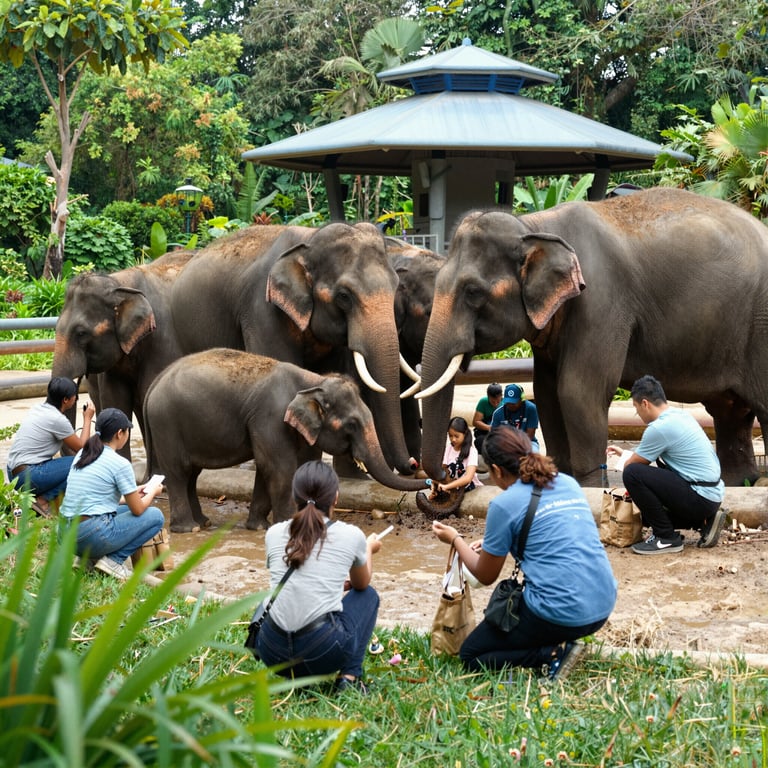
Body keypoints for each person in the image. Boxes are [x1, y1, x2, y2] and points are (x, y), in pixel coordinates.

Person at [432, 426, 617, 679]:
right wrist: (493, 540)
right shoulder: (566, 482)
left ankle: (551, 654)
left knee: (472, 655)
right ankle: (559, 642)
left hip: (561, 612)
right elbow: (550, 529)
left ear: (496, 471)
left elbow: (485, 576)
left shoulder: (503, 504)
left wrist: (455, 539)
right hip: (602, 605)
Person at [256, 460, 382, 693]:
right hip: (322, 654)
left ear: (294, 497)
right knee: (369, 596)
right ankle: (349, 677)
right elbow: (361, 584)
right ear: (335, 497)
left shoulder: (273, 533)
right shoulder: (352, 535)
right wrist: (368, 549)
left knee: (269, 596)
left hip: (273, 654)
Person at [606, 375, 726, 555]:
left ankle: (666, 538)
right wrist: (624, 453)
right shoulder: (679, 415)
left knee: (632, 474)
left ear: (645, 403)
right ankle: (704, 523)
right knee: (647, 515)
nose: (637, 414)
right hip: (711, 495)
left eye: (636, 408)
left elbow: (634, 466)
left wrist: (626, 460)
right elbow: (646, 454)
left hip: (699, 497)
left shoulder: (659, 428)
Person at [59, 408, 165, 580]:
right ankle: (113, 562)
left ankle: (85, 561)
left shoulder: (82, 454)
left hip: (65, 534)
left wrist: (136, 491)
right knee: (155, 516)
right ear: (119, 433)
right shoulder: (120, 463)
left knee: (120, 510)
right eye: (127, 431)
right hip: (89, 535)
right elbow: (138, 510)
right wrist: (153, 490)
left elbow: (101, 498)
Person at [6, 376, 95, 516]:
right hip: (28, 475)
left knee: (68, 463)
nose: (76, 399)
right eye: (74, 397)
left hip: (13, 474)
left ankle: (41, 499)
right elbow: (83, 447)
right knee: (83, 461)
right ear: (65, 400)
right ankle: (42, 500)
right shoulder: (57, 419)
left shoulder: (38, 408)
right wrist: (88, 418)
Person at [436, 416, 481, 493]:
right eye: (450, 435)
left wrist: (447, 486)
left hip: (469, 487)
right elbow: (443, 469)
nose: (453, 439)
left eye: (456, 436)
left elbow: (468, 478)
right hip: (452, 486)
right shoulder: (449, 448)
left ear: (465, 434)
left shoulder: (472, 452)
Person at [490, 384, 539, 451]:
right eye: (508, 402)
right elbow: (494, 436)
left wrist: (517, 448)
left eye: (514, 402)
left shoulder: (531, 409)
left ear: (521, 399)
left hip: (528, 442)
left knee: (533, 455)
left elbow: (530, 435)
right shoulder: (498, 413)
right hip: (505, 444)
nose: (510, 405)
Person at [472, 382, 503, 454]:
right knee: (479, 441)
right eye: (492, 401)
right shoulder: (483, 402)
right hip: (486, 432)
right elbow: (476, 422)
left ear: (501, 396)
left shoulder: (506, 403)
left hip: (501, 433)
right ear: (488, 396)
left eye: (498, 401)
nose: (495, 404)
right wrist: (489, 427)